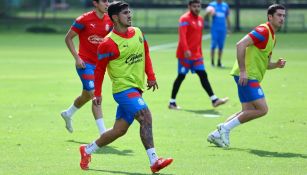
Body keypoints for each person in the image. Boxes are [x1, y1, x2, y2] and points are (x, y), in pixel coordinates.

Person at [79, 1, 173, 173]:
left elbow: (145, 52)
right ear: (115, 18)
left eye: (129, 12)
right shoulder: (108, 43)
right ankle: (154, 161)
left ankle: (87, 150)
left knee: (118, 130)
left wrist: (151, 76)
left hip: (136, 89)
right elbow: (99, 70)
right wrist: (97, 94)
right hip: (123, 90)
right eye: (125, 13)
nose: (129, 15)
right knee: (145, 116)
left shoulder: (137, 32)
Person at [207, 4, 286, 148]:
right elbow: (240, 44)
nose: (282, 18)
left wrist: (276, 65)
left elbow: (266, 64)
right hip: (247, 76)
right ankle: (225, 129)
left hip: (248, 75)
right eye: (279, 15)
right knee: (262, 109)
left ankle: (216, 134)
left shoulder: (273, 38)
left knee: (247, 111)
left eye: (283, 16)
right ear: (270, 17)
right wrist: (243, 71)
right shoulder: (263, 30)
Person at [61, 0, 113, 135]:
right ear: (95, 3)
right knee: (94, 95)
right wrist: (77, 58)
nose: (107, 4)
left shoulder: (110, 20)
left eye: (108, 1)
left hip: (99, 66)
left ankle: (68, 113)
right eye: (104, 1)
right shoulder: (83, 19)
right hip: (84, 63)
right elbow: (68, 38)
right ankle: (103, 134)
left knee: (86, 96)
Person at [168, 0, 228, 110]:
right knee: (181, 77)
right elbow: (182, 37)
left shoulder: (200, 19)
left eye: (198, 6)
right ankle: (172, 102)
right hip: (184, 55)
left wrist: (200, 53)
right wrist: (186, 50)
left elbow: (198, 39)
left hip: (196, 56)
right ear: (189, 7)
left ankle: (214, 100)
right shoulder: (184, 19)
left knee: (203, 75)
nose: (197, 8)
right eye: (194, 6)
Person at [204, 0, 231, 67]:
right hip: (215, 29)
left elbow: (227, 17)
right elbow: (205, 15)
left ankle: (219, 62)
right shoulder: (212, 5)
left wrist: (229, 28)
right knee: (213, 46)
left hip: (223, 29)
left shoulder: (225, 5)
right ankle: (212, 62)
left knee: (221, 46)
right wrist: (209, 12)